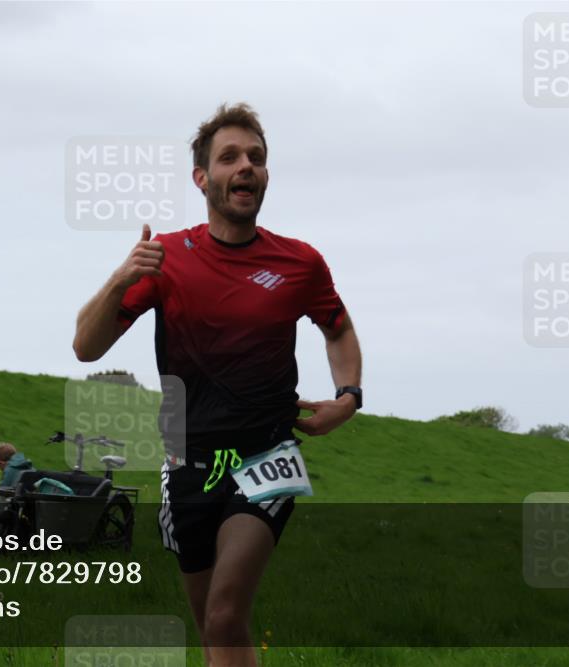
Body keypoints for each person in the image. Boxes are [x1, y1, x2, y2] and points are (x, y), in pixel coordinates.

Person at [72, 103, 363, 667]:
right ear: (202, 178)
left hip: (267, 456)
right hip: (189, 462)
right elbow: (86, 346)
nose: (246, 167)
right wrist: (121, 277)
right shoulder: (167, 260)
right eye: (230, 157)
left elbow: (339, 328)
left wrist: (348, 398)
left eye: (256, 157)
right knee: (214, 628)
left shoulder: (300, 263)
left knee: (227, 614)